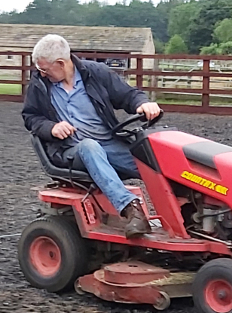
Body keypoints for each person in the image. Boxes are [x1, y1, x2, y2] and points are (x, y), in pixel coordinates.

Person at [22, 34, 162, 238]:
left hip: (109, 144)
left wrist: (142, 103)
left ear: (61, 63)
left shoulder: (96, 73)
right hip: (71, 151)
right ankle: (131, 210)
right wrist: (51, 127)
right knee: (90, 147)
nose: (42, 74)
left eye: (45, 69)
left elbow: (128, 94)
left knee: (153, 160)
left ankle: (187, 212)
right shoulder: (40, 84)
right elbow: (30, 116)